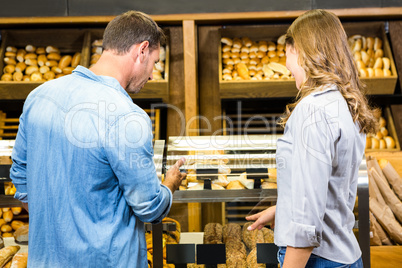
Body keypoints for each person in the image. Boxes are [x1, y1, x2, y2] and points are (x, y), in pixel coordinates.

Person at [10, 10, 186, 268]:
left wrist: (61, 223)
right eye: (155, 62)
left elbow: (21, 181)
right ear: (142, 50)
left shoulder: (39, 96)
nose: (151, 74)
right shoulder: (127, 116)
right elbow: (149, 208)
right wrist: (170, 184)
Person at [246, 9, 378, 268]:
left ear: (303, 52)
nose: (286, 65)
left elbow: (307, 219)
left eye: (288, 53)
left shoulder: (313, 109)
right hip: (346, 255)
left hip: (318, 260)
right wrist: (283, 211)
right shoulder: (346, 104)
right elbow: (328, 188)